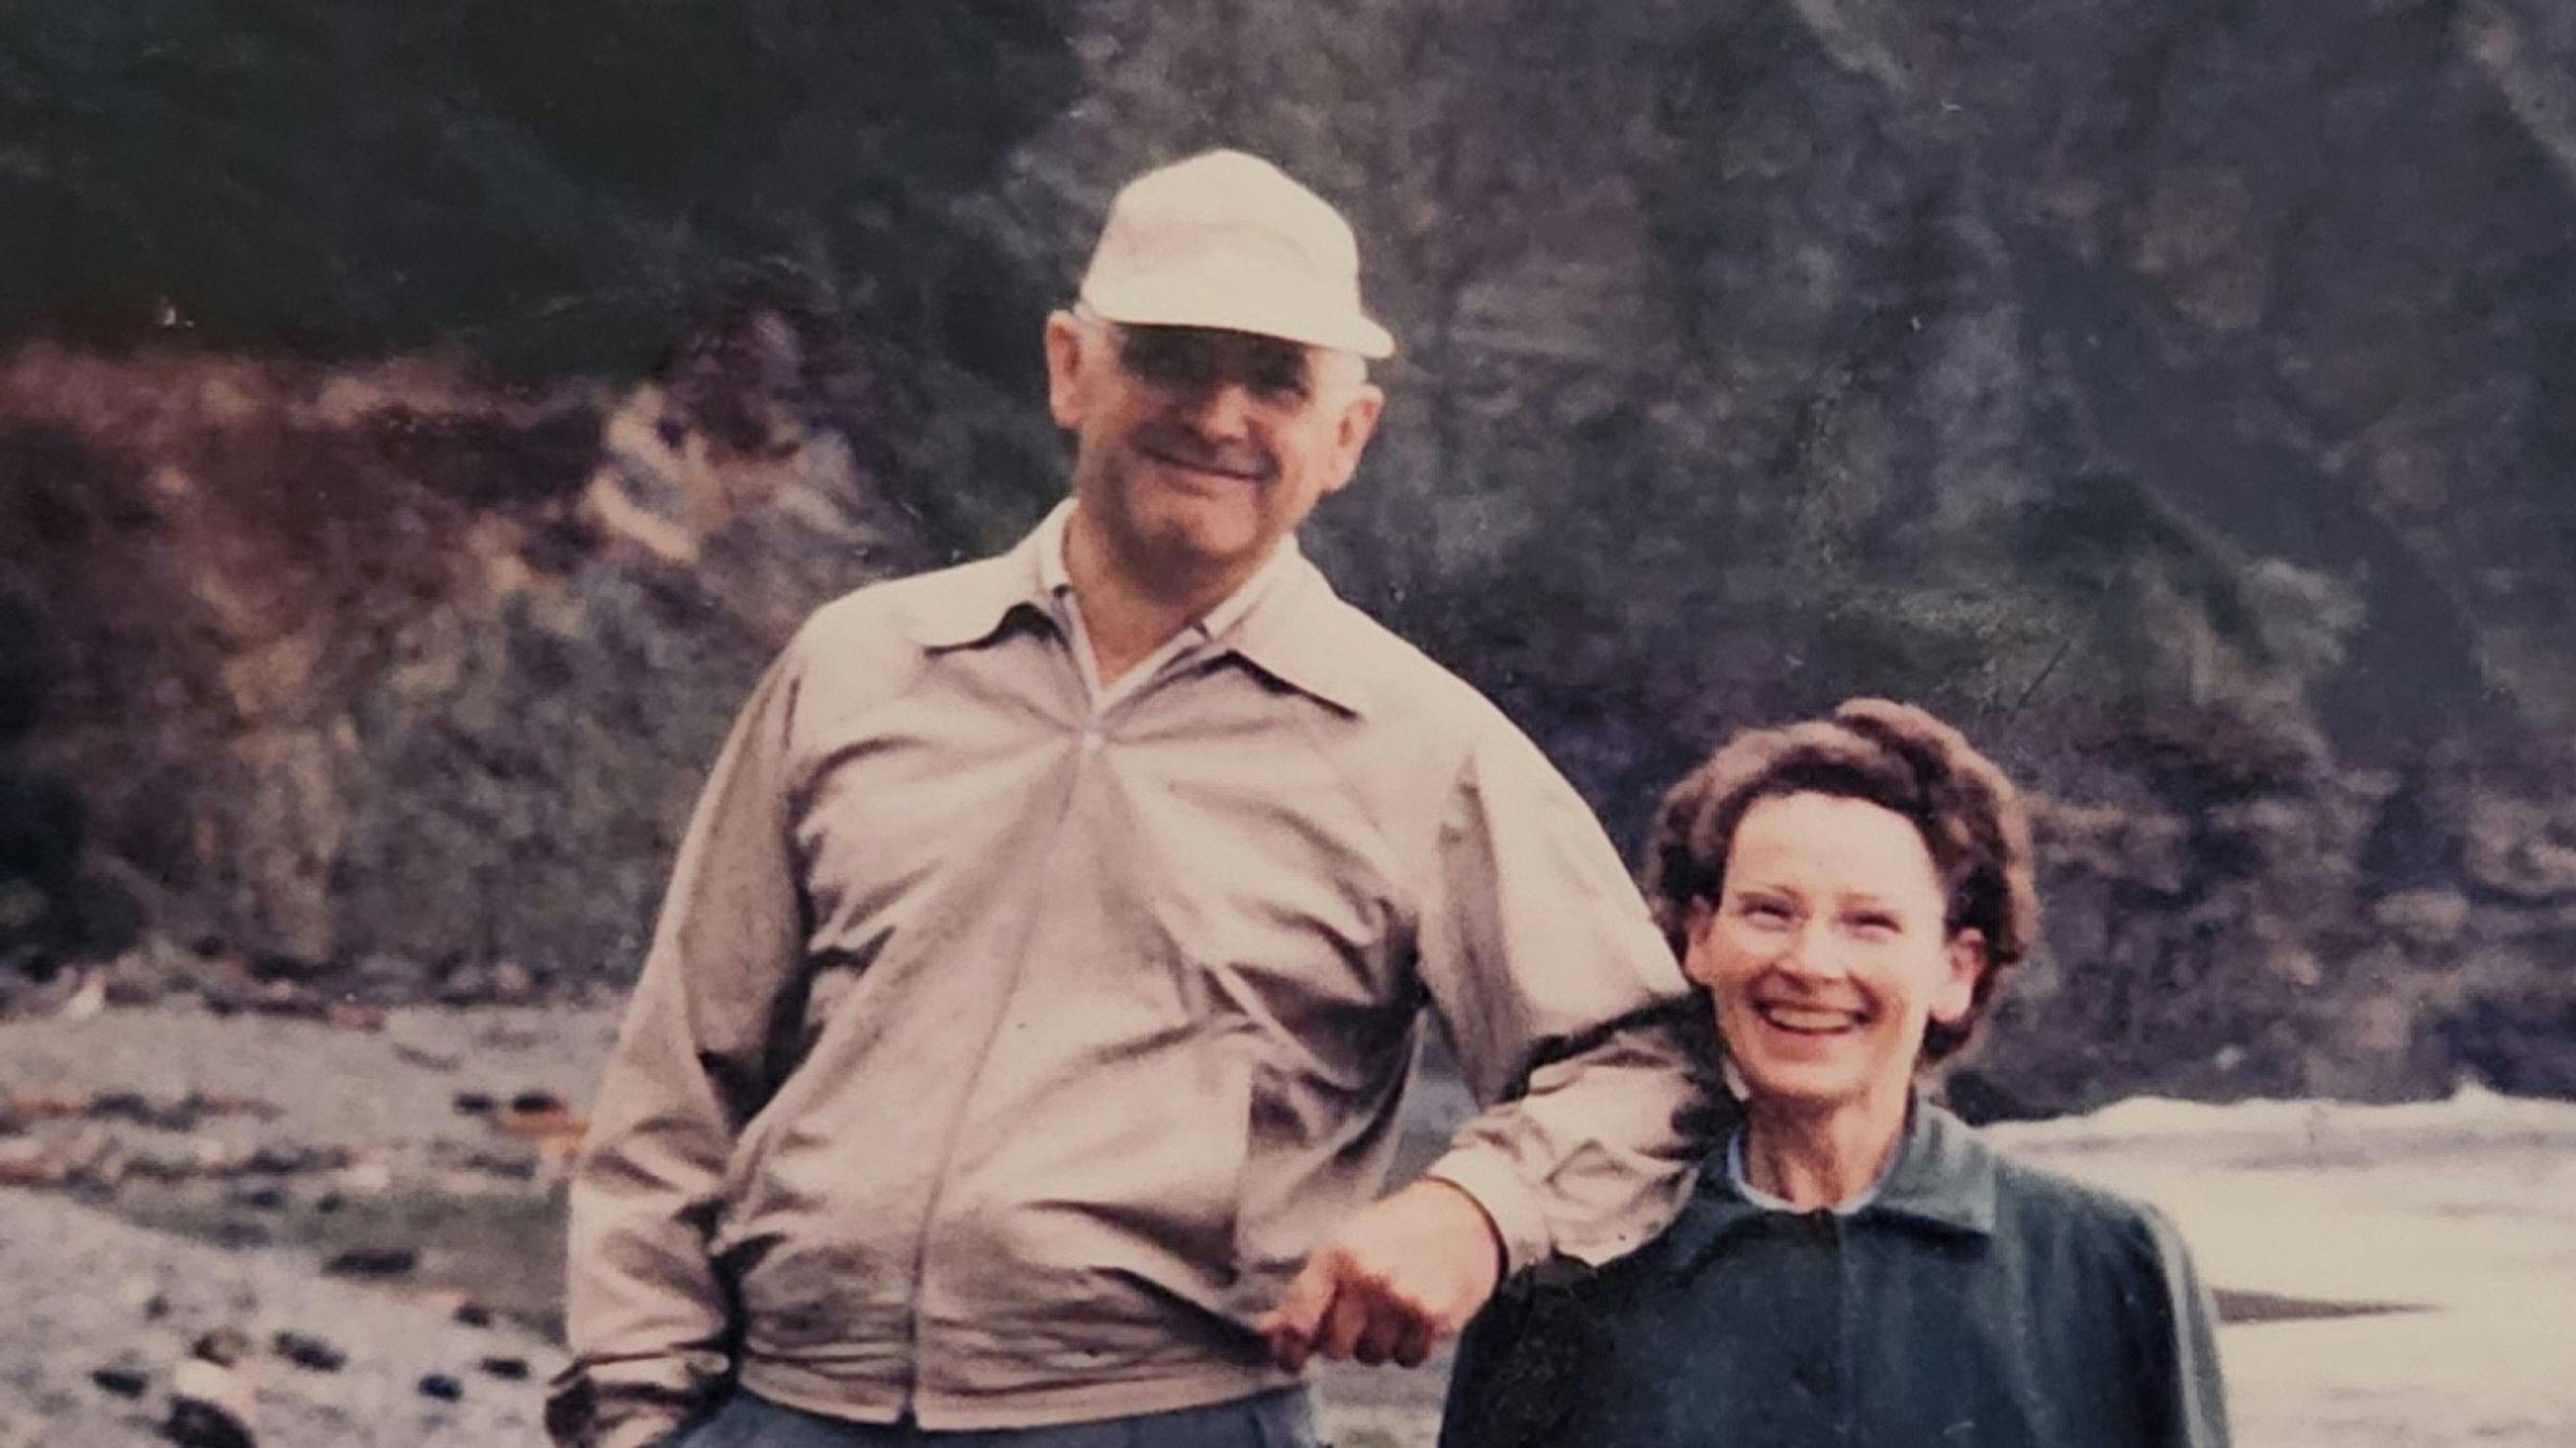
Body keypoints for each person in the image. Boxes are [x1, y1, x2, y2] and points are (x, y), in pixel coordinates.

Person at [546, 149, 1712, 1448]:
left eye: (1275, 377)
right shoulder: (858, 663)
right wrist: (638, 1414)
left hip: (1168, 1415)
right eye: (1171, 354)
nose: (1219, 415)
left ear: (1348, 433)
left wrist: (1474, 1209)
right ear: (1069, 367)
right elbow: (677, 1082)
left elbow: (1642, 1065)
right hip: (782, 1410)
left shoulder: (1420, 746)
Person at [1439, 699, 2231, 1448]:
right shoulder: (1563, 1273)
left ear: (1956, 970)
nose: (1811, 962)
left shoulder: (2109, 1265)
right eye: (1769, 912)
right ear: (1699, 937)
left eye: (1869, 922)